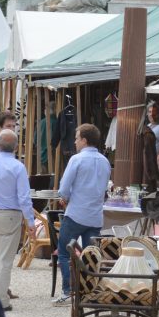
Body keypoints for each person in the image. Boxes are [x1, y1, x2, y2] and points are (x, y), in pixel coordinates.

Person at [55, 123, 110, 304]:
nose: (75, 142)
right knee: (91, 255)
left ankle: (68, 290)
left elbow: (63, 188)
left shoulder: (76, 159)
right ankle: (89, 291)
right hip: (95, 216)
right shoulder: (105, 161)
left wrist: (66, 197)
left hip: (76, 213)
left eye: (77, 138)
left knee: (64, 252)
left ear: (84, 140)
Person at [0, 129, 33, 311]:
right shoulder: (18, 167)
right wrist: (31, 222)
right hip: (10, 214)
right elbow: (24, 198)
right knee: (5, 261)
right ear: (16, 147)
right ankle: (1, 300)